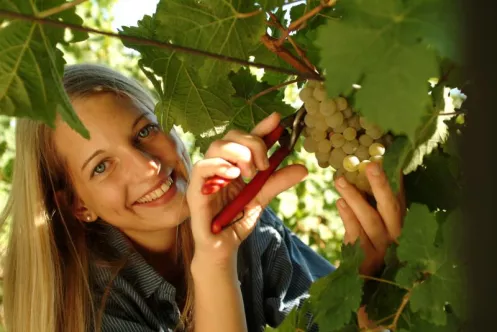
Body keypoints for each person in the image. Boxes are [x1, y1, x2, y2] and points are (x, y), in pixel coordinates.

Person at [0, 64, 404, 332]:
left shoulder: (249, 224)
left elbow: (328, 325)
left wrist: (363, 286)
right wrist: (214, 263)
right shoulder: (89, 310)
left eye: (144, 132)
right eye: (101, 166)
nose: (146, 167)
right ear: (78, 204)